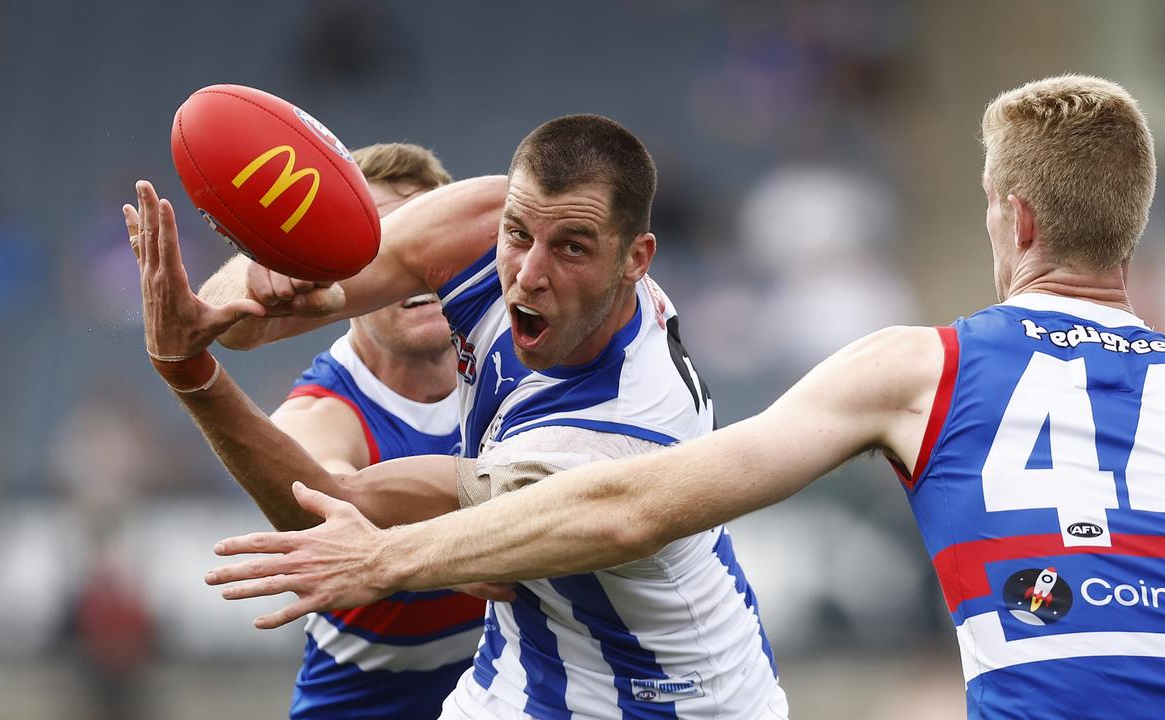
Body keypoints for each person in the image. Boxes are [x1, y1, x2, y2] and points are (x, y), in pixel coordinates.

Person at [206, 76, 1165, 717]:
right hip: (528, 679)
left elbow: (632, 505)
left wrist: (374, 550)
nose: (525, 268)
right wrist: (233, 295)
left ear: (1012, 221)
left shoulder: (917, 366)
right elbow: (300, 286)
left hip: (670, 696)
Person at [130, 114, 788, 719]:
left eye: (573, 248)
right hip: (385, 692)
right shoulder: (336, 397)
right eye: (368, 241)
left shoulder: (606, 412)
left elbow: (470, 542)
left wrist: (191, 375)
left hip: (621, 684)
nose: (530, 272)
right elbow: (236, 334)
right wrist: (267, 267)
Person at [263, 143, 487, 719]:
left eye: (426, 238)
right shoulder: (319, 416)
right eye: (388, 241)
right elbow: (347, 522)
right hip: (362, 703)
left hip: (507, 685)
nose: (413, 264)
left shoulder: (516, 360)